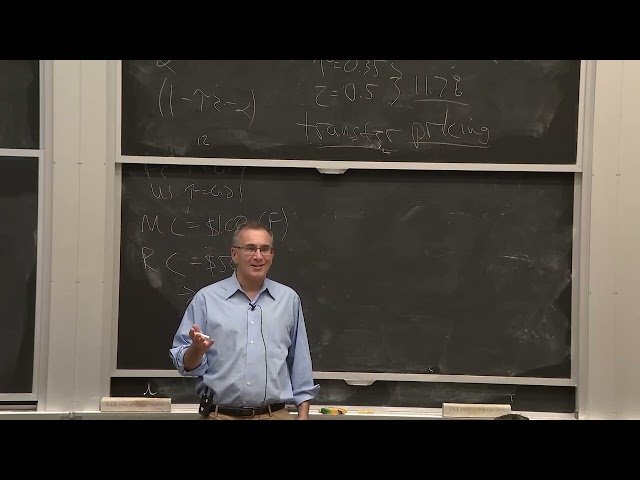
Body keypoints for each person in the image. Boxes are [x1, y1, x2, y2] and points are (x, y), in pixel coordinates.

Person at [170, 220, 319, 419]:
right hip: (220, 415)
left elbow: (299, 361)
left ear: (272, 255)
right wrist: (196, 350)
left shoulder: (288, 300)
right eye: (250, 248)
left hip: (275, 414)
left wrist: (303, 414)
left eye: (265, 249)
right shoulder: (206, 299)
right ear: (234, 254)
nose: (258, 256)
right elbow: (184, 365)